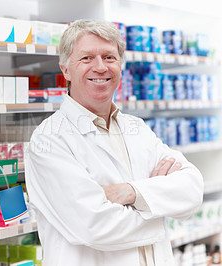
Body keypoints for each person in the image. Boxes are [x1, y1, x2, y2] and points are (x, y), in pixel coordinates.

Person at [25, 19, 203, 266]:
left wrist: (130, 192)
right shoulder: (50, 139)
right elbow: (93, 224)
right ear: (65, 69)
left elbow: (192, 189)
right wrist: (161, 208)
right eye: (86, 58)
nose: (100, 67)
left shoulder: (136, 129)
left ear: (120, 65)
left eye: (109, 57)